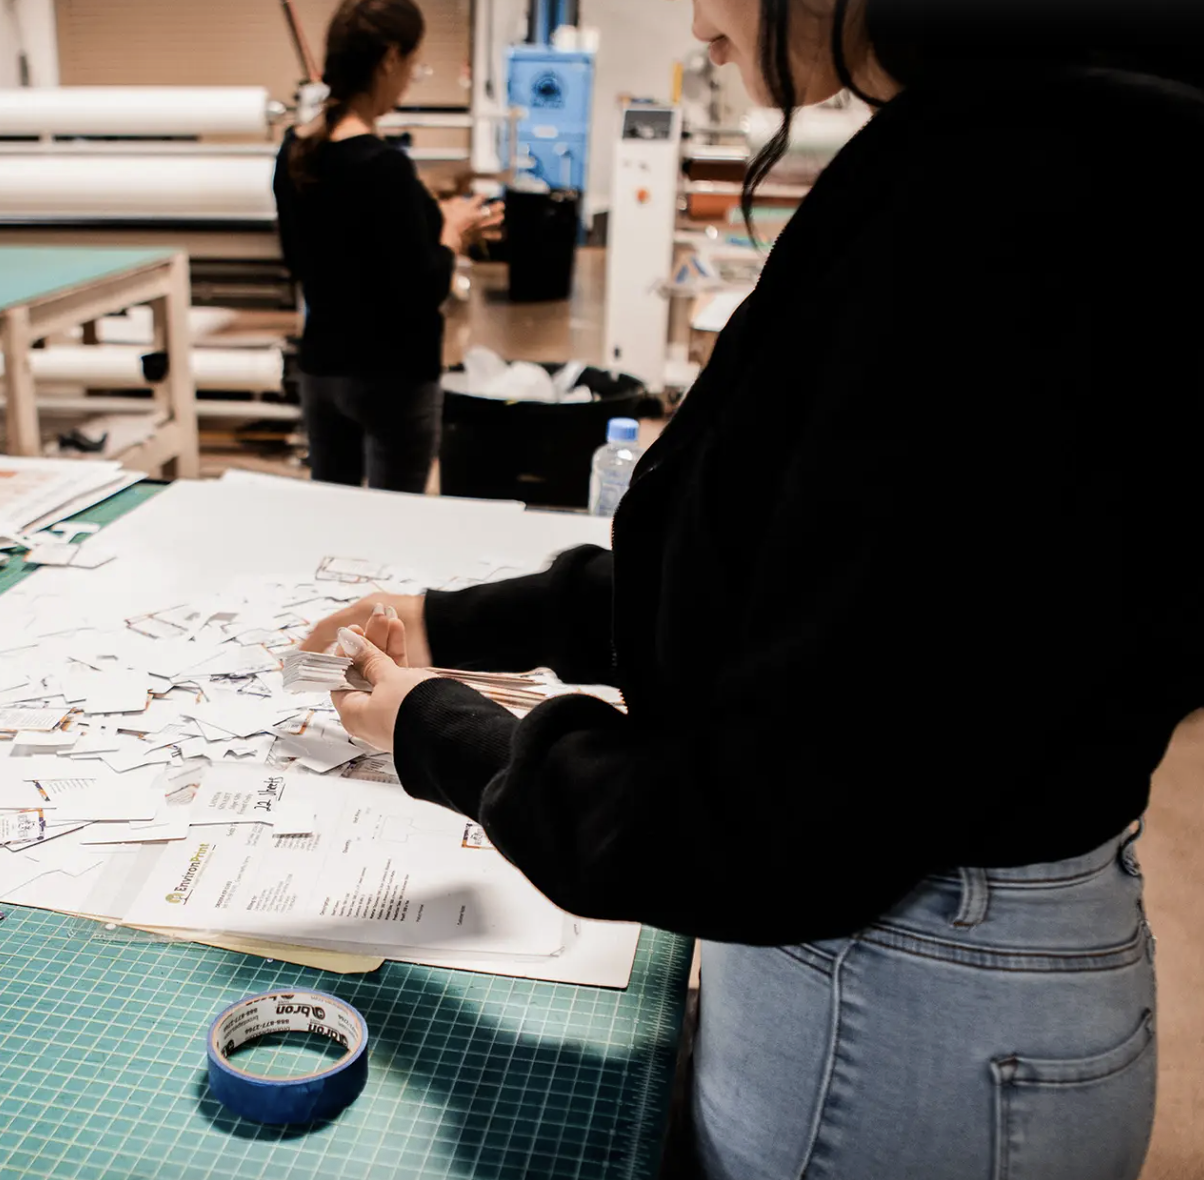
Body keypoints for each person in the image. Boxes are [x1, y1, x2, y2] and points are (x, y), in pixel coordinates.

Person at [301, 2, 1204, 1176]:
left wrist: (441, 728)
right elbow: (783, 581)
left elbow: (768, 813)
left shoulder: (1005, 201)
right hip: (934, 963)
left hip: (903, 1003)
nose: (689, 16)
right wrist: (457, 619)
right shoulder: (1020, 138)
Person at [273, 0, 501, 493]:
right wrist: (452, 233)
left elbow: (301, 260)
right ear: (390, 59)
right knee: (395, 524)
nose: (413, 77)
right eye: (414, 63)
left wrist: (438, 222)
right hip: (391, 377)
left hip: (322, 371)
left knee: (330, 512)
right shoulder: (384, 167)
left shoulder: (295, 151)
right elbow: (423, 287)